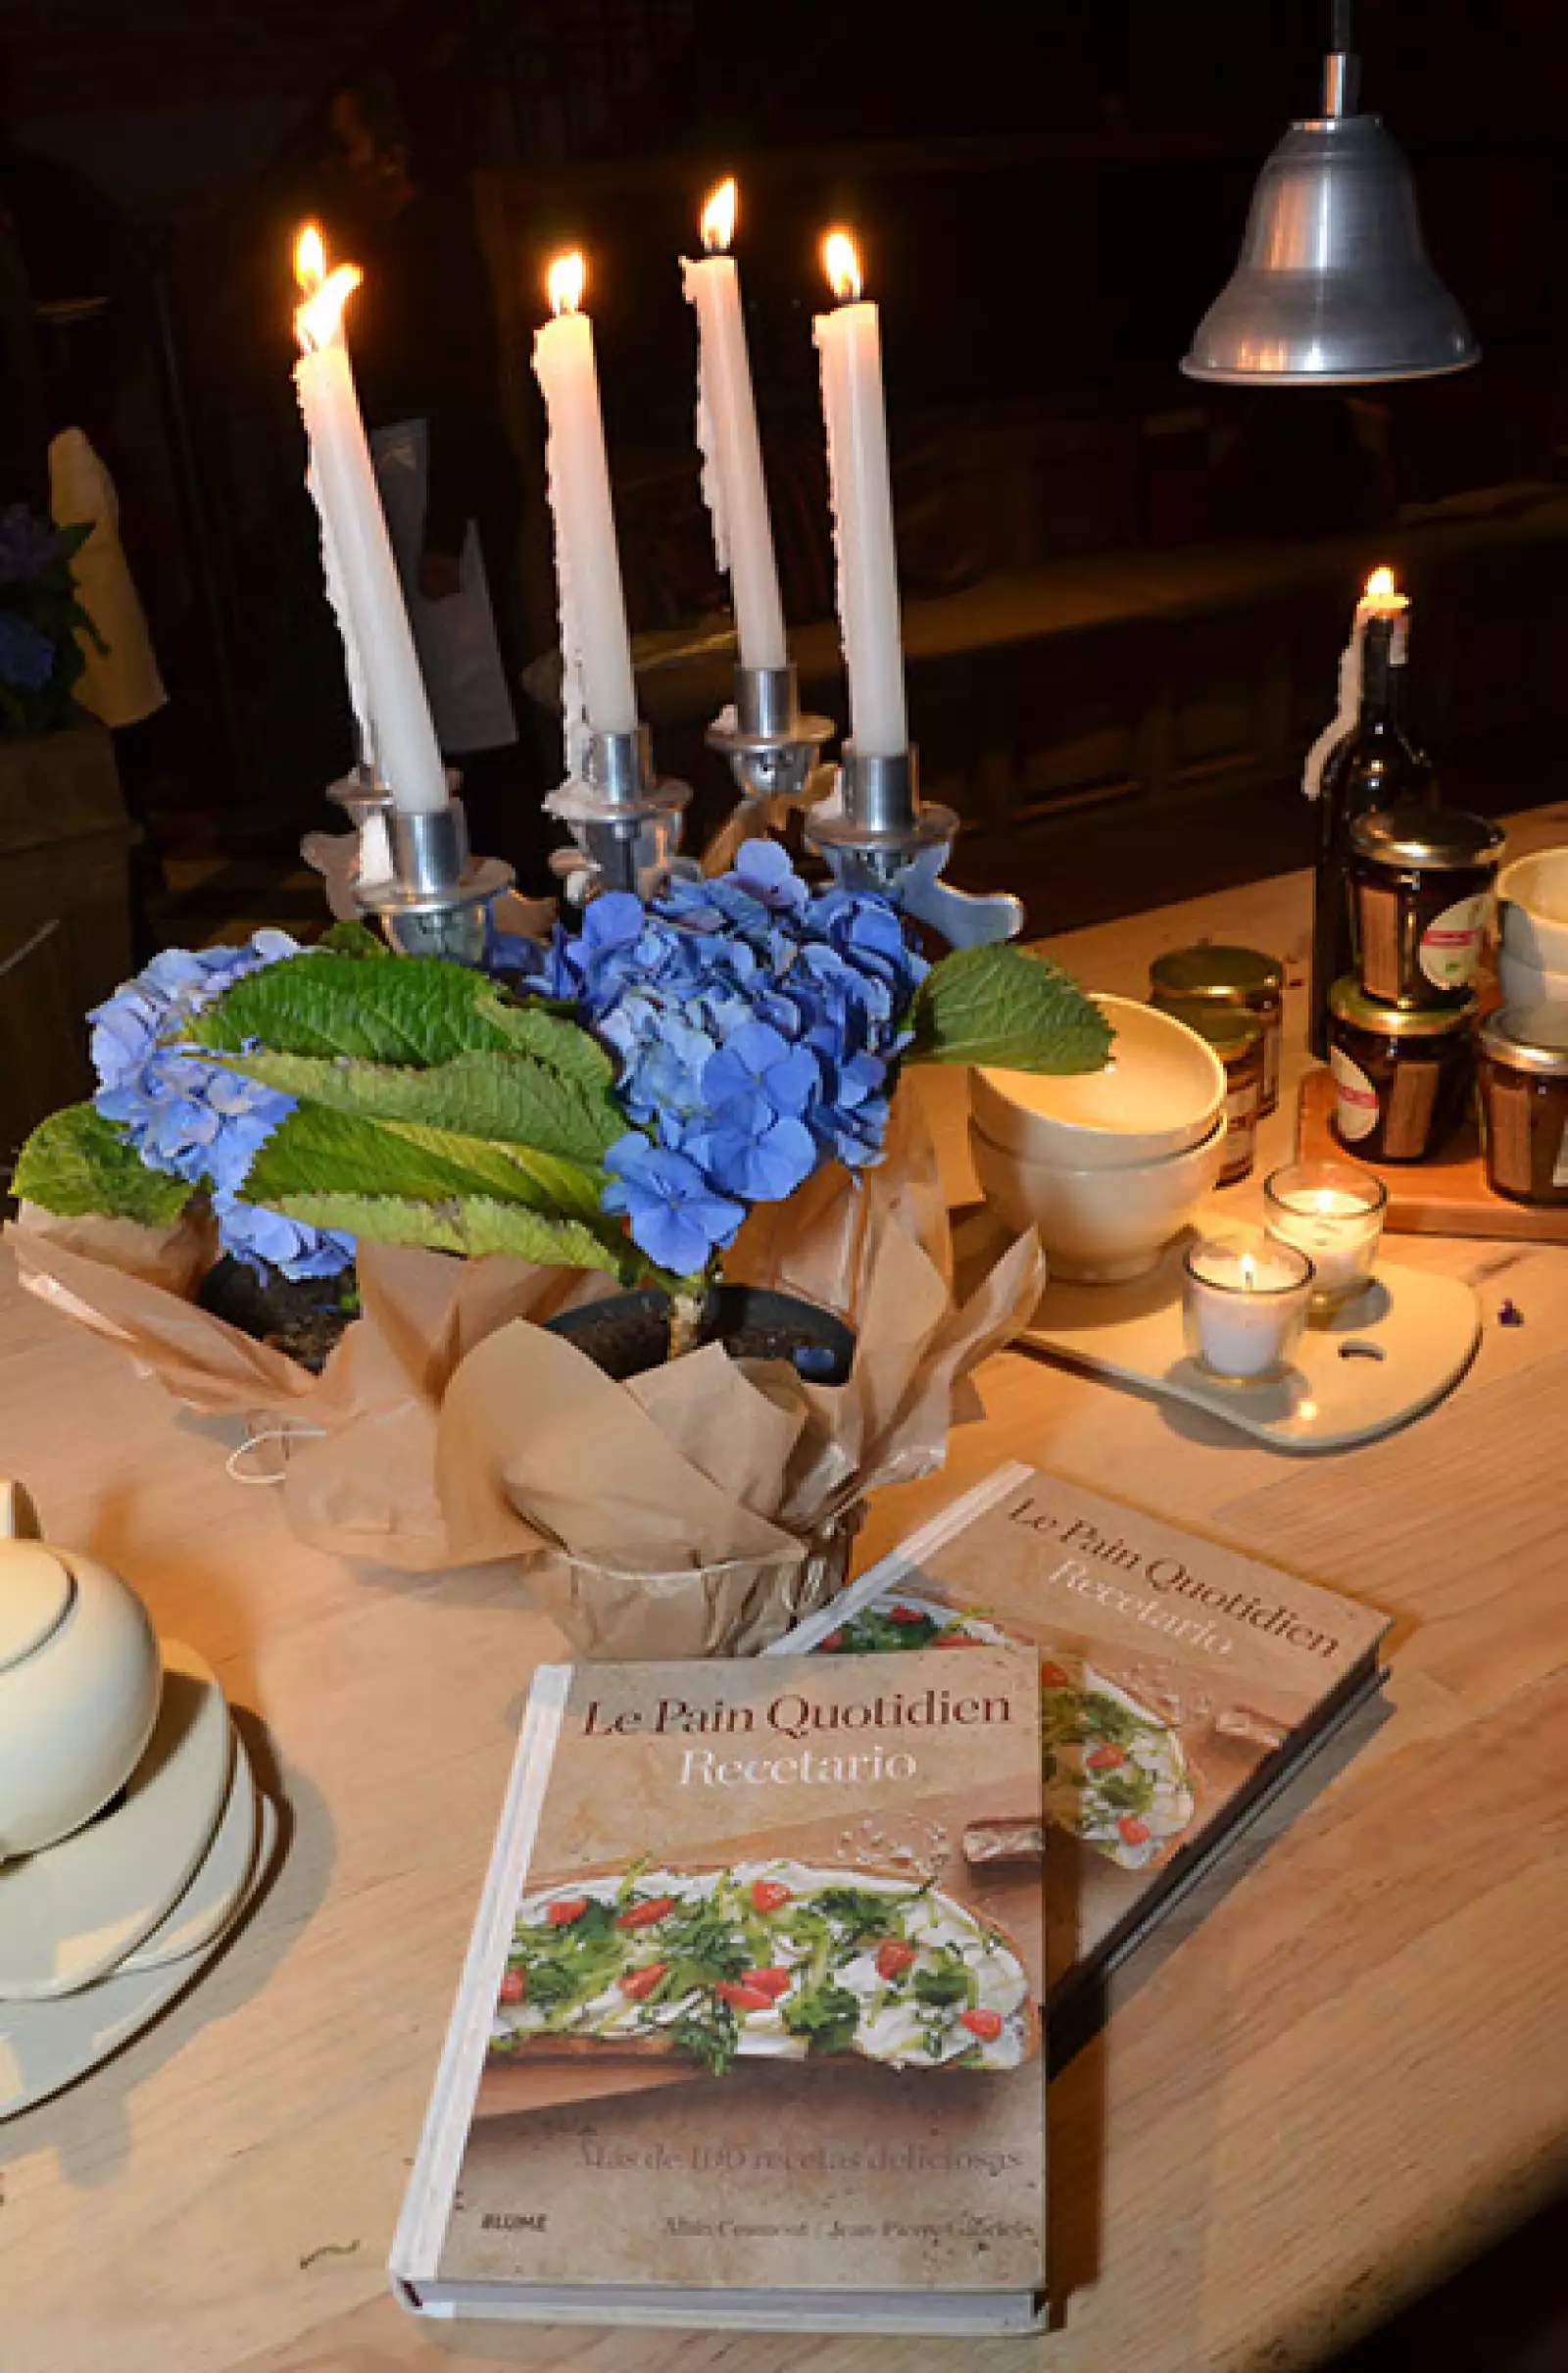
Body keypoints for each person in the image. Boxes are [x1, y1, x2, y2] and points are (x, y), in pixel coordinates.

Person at [320, 74, 555, 887]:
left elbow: (457, 380)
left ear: (392, 153)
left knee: (477, 699)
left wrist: (443, 530)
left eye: (349, 143)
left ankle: (514, 874)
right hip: (405, 476)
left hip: (442, 485)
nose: (339, 163)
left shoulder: (434, 240)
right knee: (435, 703)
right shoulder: (385, 240)